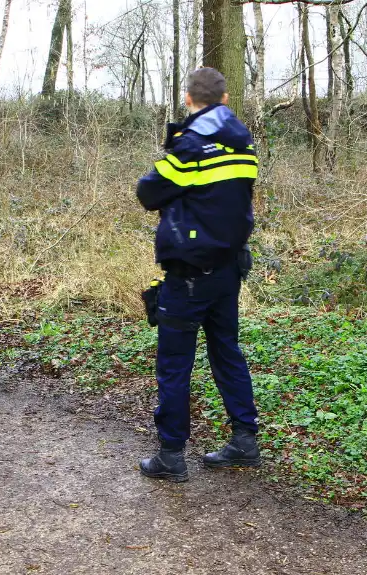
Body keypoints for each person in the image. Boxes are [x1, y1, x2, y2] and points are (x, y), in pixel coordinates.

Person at [135, 68, 262, 482]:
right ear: (225, 100)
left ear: (188, 100)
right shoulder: (244, 144)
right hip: (228, 266)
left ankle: (171, 455)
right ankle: (245, 440)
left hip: (188, 272)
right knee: (227, 351)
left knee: (174, 363)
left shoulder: (191, 147)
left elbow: (148, 192)